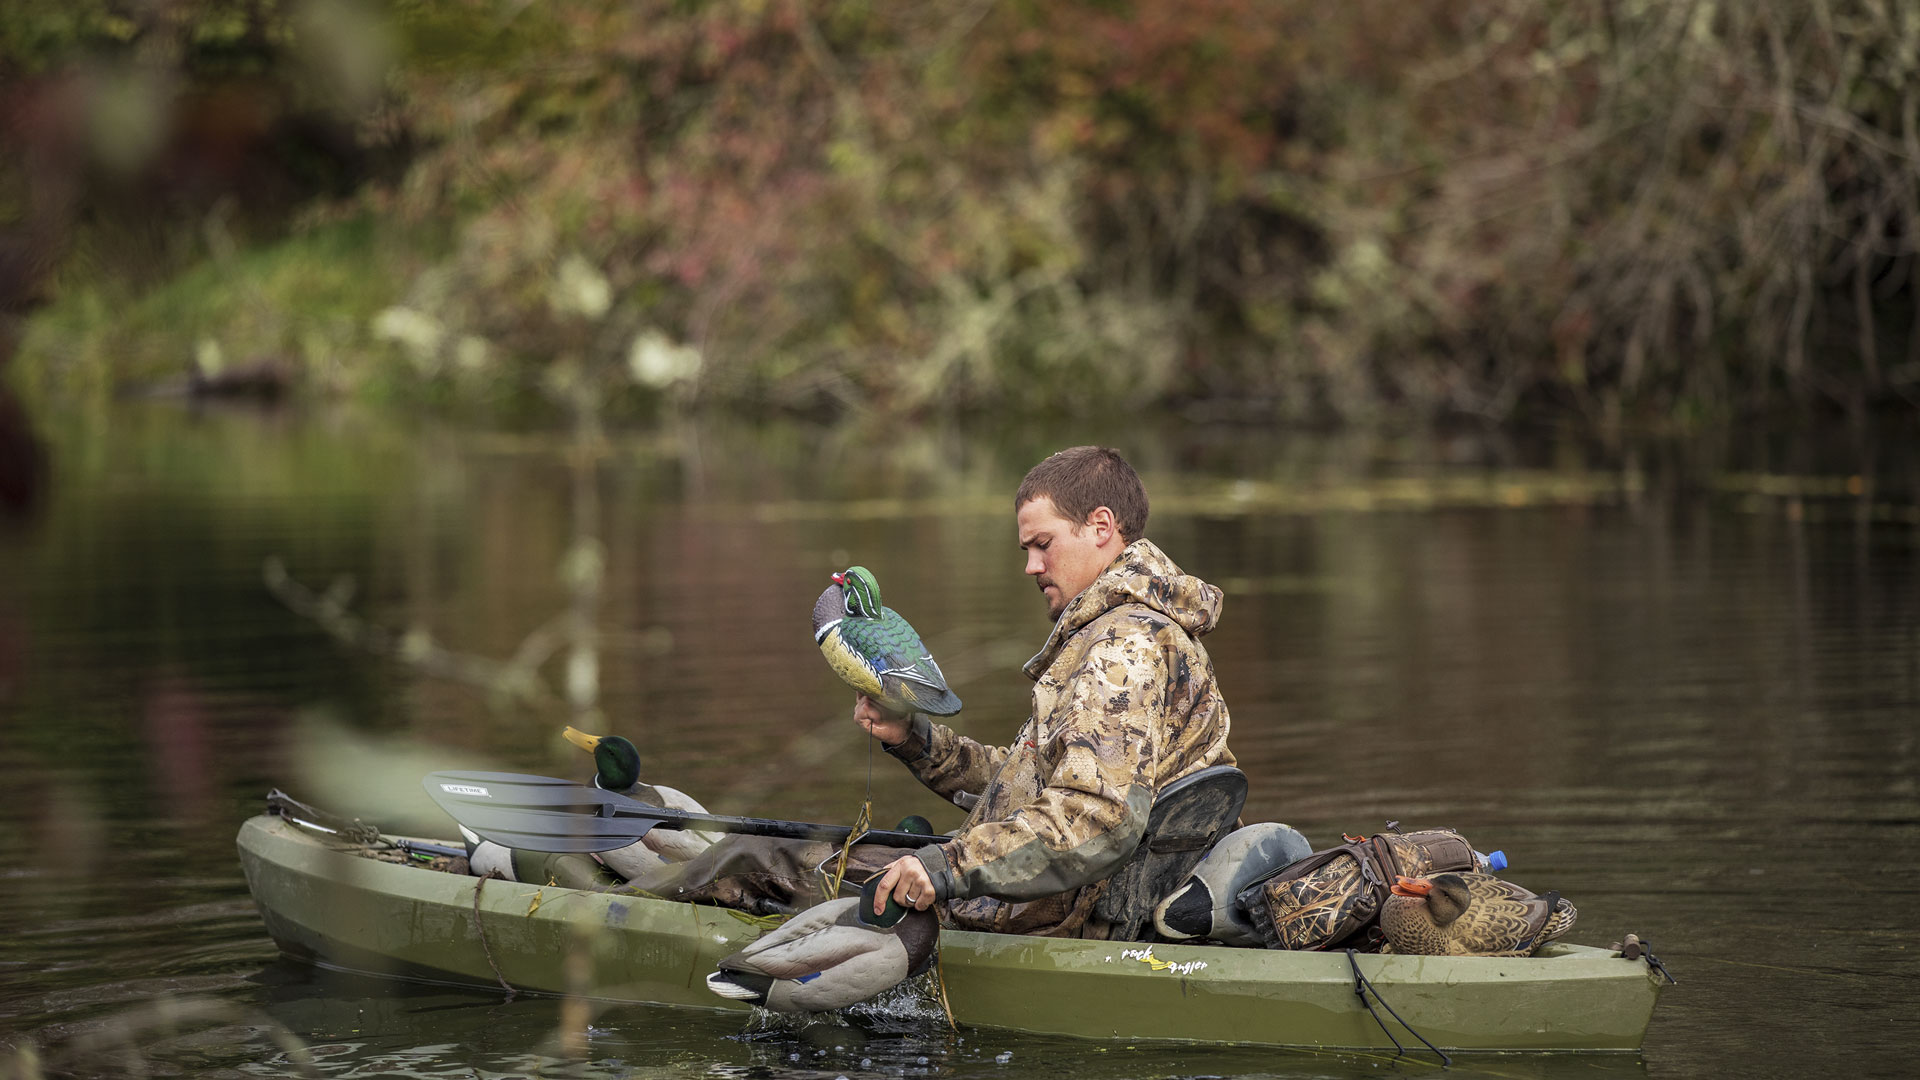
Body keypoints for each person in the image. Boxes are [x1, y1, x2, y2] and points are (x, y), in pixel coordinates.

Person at [637, 445, 1237, 940]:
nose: (1031, 565)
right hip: (1041, 895)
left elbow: (1095, 819)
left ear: (1102, 528)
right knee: (787, 844)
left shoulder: (1120, 650)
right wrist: (917, 740)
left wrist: (944, 866)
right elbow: (1031, 783)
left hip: (1040, 915)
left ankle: (606, 921)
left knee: (756, 857)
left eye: (1043, 543)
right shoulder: (1143, 632)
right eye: (1026, 549)